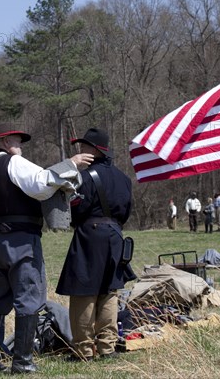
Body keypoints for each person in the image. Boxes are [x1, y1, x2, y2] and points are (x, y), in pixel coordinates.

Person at [0, 123, 93, 374]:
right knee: (29, 299)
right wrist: (71, 163)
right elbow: (41, 183)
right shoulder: (13, 162)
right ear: (5, 142)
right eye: (17, 140)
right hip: (20, 241)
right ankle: (22, 362)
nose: (21, 145)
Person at [56, 128, 136, 361]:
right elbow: (126, 212)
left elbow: (76, 210)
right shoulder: (123, 178)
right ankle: (107, 347)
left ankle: (83, 350)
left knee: (83, 292)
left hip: (90, 236)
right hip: (114, 235)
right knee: (109, 292)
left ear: (95, 150)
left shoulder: (85, 177)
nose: (80, 150)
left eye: (84, 146)